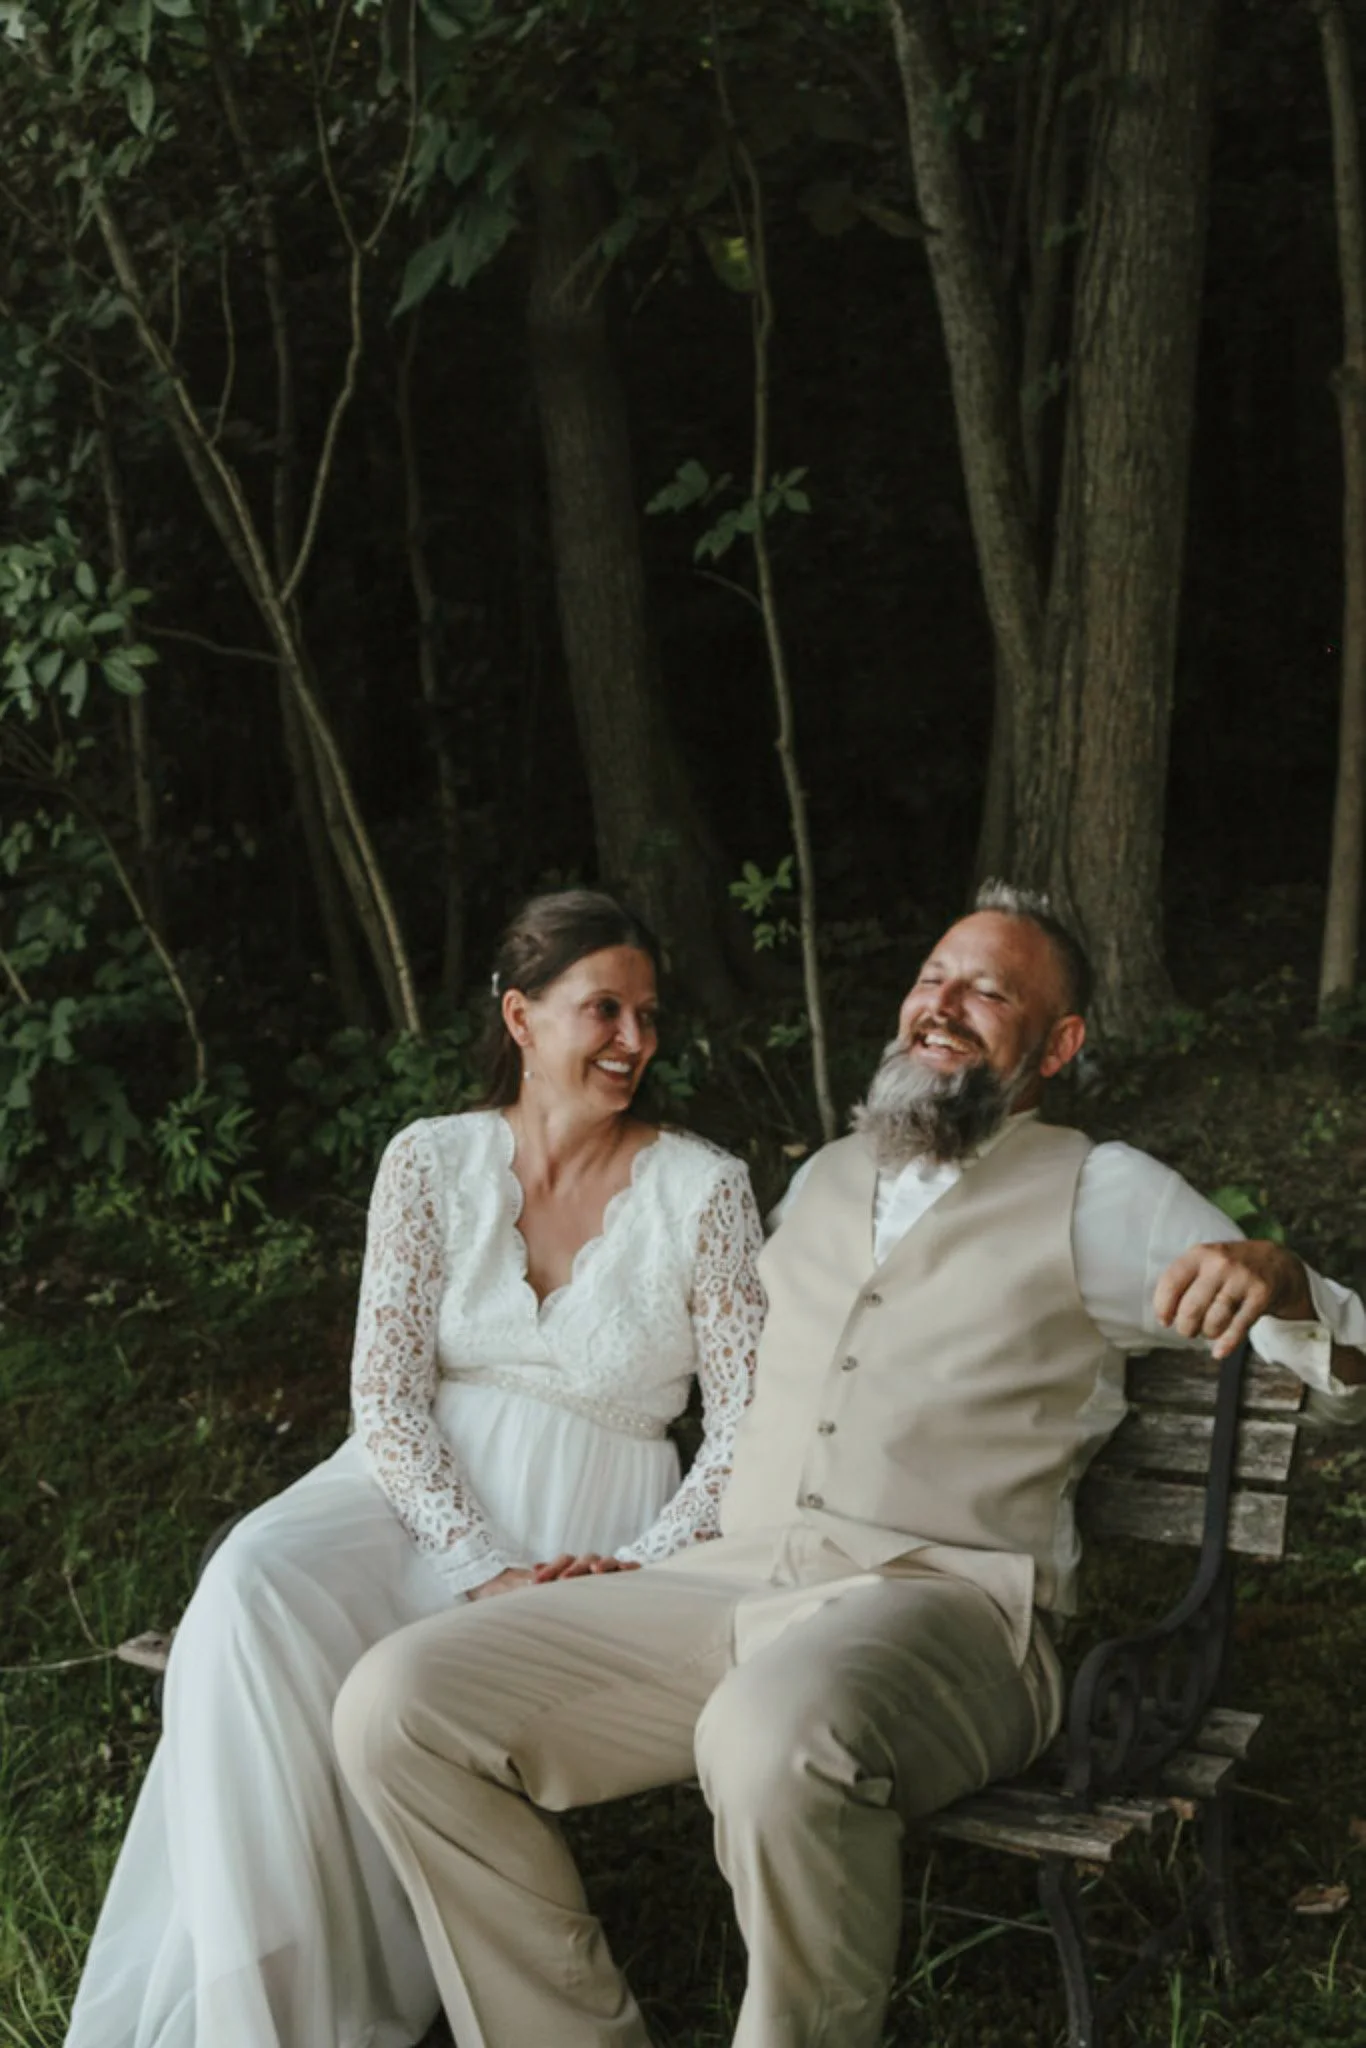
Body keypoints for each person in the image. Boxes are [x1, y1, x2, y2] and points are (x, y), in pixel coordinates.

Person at [332, 881, 1366, 2048]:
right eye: (932, 977)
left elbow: (1336, 1371)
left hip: (948, 1610)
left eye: (989, 989)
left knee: (769, 1732)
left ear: (1058, 1043)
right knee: (398, 1703)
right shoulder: (822, 1176)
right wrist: (630, 1548)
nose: (943, 1003)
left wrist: (1277, 1279)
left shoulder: (1102, 1188)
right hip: (728, 1582)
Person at [65, 889, 765, 2048]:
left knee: (396, 1681)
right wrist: (472, 1558)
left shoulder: (707, 1188)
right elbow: (385, 1390)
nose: (635, 1039)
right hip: (405, 1485)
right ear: (521, 1015)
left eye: (647, 1013)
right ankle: (256, 2007)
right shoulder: (428, 1158)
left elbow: (745, 1425)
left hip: (587, 1514)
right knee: (249, 1584)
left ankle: (345, 2000)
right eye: (604, 1009)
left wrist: (637, 1566)